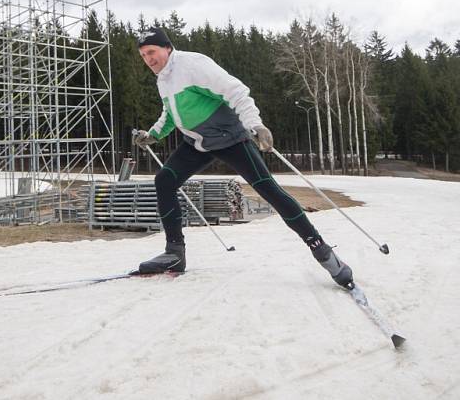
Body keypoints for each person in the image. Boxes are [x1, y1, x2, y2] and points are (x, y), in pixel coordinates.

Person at [132, 27, 353, 288]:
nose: (149, 59)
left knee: (268, 189)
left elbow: (236, 91)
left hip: (230, 138)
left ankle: (322, 251)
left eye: (152, 52)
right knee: (164, 182)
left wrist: (256, 125)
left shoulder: (193, 65)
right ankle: (174, 253)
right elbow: (170, 114)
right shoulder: (163, 79)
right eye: (144, 55)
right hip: (198, 142)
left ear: (167, 48)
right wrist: (153, 134)